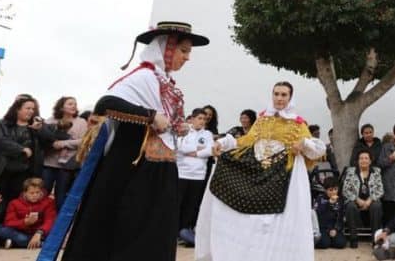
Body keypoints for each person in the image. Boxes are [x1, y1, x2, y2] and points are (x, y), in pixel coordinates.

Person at [60, 21, 209, 261]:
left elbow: (166, 121)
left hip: (159, 169)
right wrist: (150, 116)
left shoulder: (165, 82)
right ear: (166, 48)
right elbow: (106, 104)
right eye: (183, 50)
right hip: (133, 168)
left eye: (188, 52)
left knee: (154, 227)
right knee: (129, 225)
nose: (187, 57)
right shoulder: (144, 77)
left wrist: (176, 126)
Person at [195, 81, 326, 261]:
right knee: (251, 221)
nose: (279, 98)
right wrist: (224, 143)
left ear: (290, 97)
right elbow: (248, 140)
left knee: (276, 221)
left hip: (283, 177)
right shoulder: (262, 118)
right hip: (258, 173)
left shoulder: (298, 123)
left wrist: (302, 144)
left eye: (284, 95)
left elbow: (316, 150)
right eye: (276, 94)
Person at [0, 96, 65, 201]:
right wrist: (21, 149)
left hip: (25, 173)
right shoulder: (1, 124)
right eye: (28, 108)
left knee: (16, 201)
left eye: (33, 109)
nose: (31, 111)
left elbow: (52, 140)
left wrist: (40, 129)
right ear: (18, 109)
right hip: (1, 170)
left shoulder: (37, 126)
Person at [175, 108, 213, 246]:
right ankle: (174, 231)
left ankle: (184, 232)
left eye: (204, 119)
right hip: (182, 173)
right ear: (192, 118)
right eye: (199, 118)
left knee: (191, 205)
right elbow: (180, 148)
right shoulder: (184, 131)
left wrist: (194, 152)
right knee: (178, 203)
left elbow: (210, 151)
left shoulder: (207, 134)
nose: (202, 121)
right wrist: (198, 149)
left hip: (198, 175)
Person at [42, 96, 87, 210]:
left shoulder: (81, 122)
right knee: (44, 191)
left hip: (67, 165)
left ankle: (57, 222)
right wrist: (52, 142)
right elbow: (43, 135)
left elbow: (83, 140)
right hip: (49, 163)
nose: (74, 106)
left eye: (75, 104)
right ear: (61, 107)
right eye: (70, 104)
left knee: (61, 194)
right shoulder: (51, 120)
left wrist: (64, 143)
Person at [343, 150, 384, 248]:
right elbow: (345, 190)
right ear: (357, 161)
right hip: (356, 200)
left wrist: (370, 200)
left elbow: (380, 190)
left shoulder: (376, 172)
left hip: (371, 200)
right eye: (361, 158)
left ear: (370, 161)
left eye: (366, 158)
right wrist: (357, 199)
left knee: (377, 205)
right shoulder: (351, 172)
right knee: (350, 206)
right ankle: (353, 238)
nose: (363, 160)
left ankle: (375, 238)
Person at [2, 177, 56, 249]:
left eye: (37, 192)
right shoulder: (14, 203)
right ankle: (39, 244)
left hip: (41, 233)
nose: (35, 195)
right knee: (5, 231)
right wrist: (25, 222)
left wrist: (39, 232)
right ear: (25, 193)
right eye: (32, 193)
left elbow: (50, 220)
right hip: (22, 232)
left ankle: (19, 243)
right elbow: (8, 222)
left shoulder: (48, 202)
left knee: (55, 233)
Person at [315, 177, 347, 249]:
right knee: (324, 243)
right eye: (330, 190)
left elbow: (341, 217)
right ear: (325, 190)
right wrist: (328, 204)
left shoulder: (340, 200)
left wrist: (335, 229)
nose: (333, 192)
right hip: (323, 228)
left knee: (341, 243)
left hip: (334, 228)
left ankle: (330, 240)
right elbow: (318, 215)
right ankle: (326, 240)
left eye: (335, 189)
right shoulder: (320, 199)